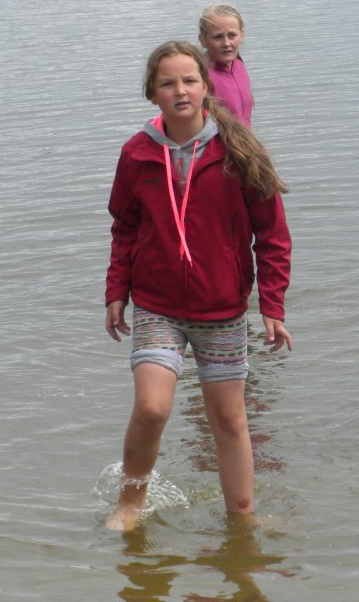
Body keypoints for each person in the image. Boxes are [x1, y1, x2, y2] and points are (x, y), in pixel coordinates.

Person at [103, 40, 292, 531]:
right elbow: (124, 227)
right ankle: (129, 504)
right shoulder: (137, 153)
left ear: (207, 87)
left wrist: (272, 305)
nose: (180, 90)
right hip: (157, 304)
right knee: (151, 408)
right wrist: (116, 292)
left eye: (189, 80)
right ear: (152, 93)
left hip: (222, 307)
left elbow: (273, 234)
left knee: (229, 420)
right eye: (168, 83)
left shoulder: (239, 151)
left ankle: (243, 520)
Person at [199, 3, 253, 125]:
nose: (226, 43)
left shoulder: (238, 64)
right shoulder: (200, 76)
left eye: (232, 35)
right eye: (218, 37)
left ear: (241, 35)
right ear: (203, 40)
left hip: (244, 136)